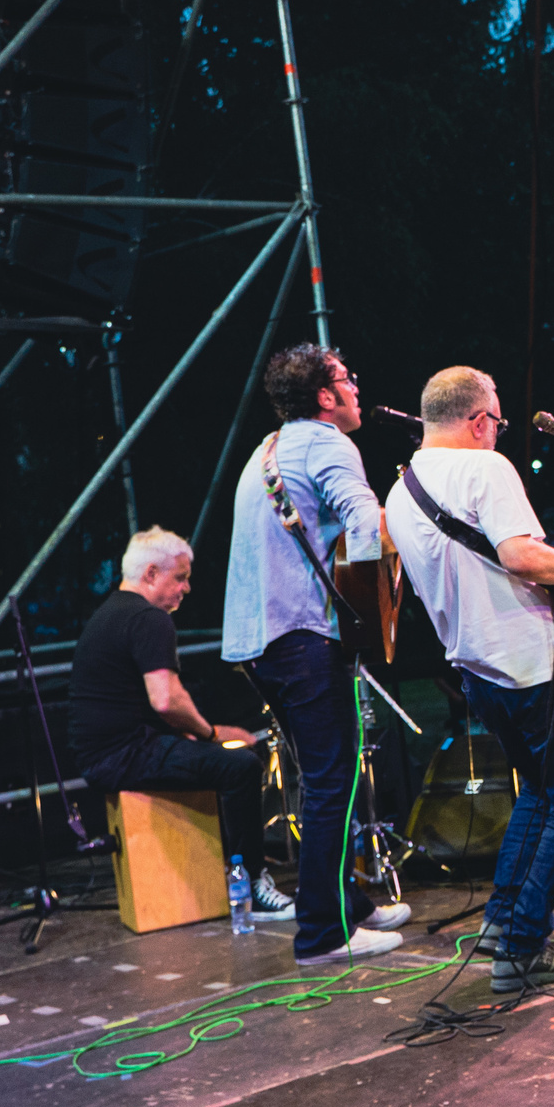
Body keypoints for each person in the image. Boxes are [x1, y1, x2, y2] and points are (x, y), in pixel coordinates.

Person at [386, 365, 554, 994]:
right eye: (497, 422)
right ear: (479, 421)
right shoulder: (486, 468)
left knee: (537, 794)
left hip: (478, 669)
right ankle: (522, 946)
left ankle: (503, 922)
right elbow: (520, 556)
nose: (498, 433)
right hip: (537, 661)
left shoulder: (402, 490)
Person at [223, 343, 414, 965]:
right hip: (302, 633)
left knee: (326, 776)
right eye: (346, 381)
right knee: (333, 780)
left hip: (264, 638)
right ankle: (324, 935)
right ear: (325, 396)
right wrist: (391, 586)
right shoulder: (329, 443)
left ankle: (347, 904)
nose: (357, 389)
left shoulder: (271, 447)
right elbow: (363, 525)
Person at [71, 526, 294, 923]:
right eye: (181, 577)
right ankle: (251, 885)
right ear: (152, 574)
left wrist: (189, 735)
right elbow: (165, 698)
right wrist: (211, 734)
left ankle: (227, 870)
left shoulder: (107, 614)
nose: (187, 588)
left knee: (216, 760)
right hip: (124, 755)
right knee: (241, 766)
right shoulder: (148, 618)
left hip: (102, 754)